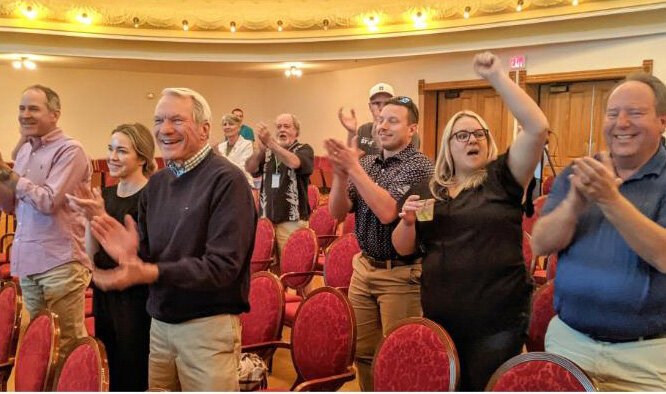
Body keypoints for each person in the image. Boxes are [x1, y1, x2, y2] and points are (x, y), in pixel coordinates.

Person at [392, 52, 550, 391]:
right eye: (461, 135)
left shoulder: (502, 178)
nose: (471, 139)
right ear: (448, 145)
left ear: (488, 140)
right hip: (442, 316)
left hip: (495, 322)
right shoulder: (431, 190)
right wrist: (406, 222)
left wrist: (496, 77)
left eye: (478, 133)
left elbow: (537, 128)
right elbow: (406, 248)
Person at [90, 88, 256, 391]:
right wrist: (132, 254)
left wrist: (150, 270)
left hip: (206, 328)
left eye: (177, 120)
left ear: (204, 130)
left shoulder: (227, 180)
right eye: (159, 120)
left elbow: (223, 267)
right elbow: (153, 254)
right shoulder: (158, 184)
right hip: (160, 325)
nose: (164, 130)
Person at [531, 73, 666, 391]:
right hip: (569, 343)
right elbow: (540, 242)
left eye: (635, 113)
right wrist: (575, 203)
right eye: (612, 113)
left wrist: (609, 199)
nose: (621, 123)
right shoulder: (579, 172)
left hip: (644, 358)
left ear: (662, 121)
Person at [326, 96, 434, 391]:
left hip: (400, 275)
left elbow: (389, 213)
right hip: (364, 269)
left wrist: (353, 168)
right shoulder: (368, 163)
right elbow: (337, 211)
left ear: (411, 129)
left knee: (400, 356)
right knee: (364, 354)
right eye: (380, 120)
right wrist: (339, 175)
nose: (383, 126)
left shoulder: (420, 166)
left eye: (393, 121)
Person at [0, 85, 92, 353]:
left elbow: (48, 201)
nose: (25, 115)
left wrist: (7, 175)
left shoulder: (70, 150)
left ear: (55, 114)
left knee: (67, 346)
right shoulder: (25, 151)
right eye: (21, 108)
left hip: (60, 264)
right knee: (41, 346)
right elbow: (11, 206)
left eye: (33, 108)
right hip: (28, 262)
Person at [66, 123, 155, 391]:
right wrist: (92, 219)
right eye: (110, 149)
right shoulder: (105, 195)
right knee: (111, 362)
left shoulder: (151, 196)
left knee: (134, 365)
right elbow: (93, 252)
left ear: (141, 157)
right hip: (108, 294)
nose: (112, 157)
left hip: (138, 296)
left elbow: (150, 252)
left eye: (121, 151)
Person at [245, 113, 314, 263]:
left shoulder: (304, 149)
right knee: (272, 268)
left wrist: (271, 143)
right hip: (267, 219)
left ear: (296, 131)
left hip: (292, 221)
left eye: (287, 126)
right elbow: (250, 168)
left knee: (296, 268)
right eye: (278, 127)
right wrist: (261, 150)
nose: (282, 130)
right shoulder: (268, 152)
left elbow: (294, 163)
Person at [338, 82, 420, 157]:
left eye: (386, 103)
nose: (381, 108)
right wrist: (351, 132)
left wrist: (379, 138)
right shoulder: (364, 129)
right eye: (376, 103)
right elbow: (351, 158)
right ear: (370, 107)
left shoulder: (406, 132)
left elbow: (401, 164)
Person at [216, 114, 254, 187]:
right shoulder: (220, 147)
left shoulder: (247, 144)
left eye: (231, 124)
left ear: (239, 127)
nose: (227, 127)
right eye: (224, 124)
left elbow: (243, 170)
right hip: (224, 185)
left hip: (242, 185)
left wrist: (220, 156)